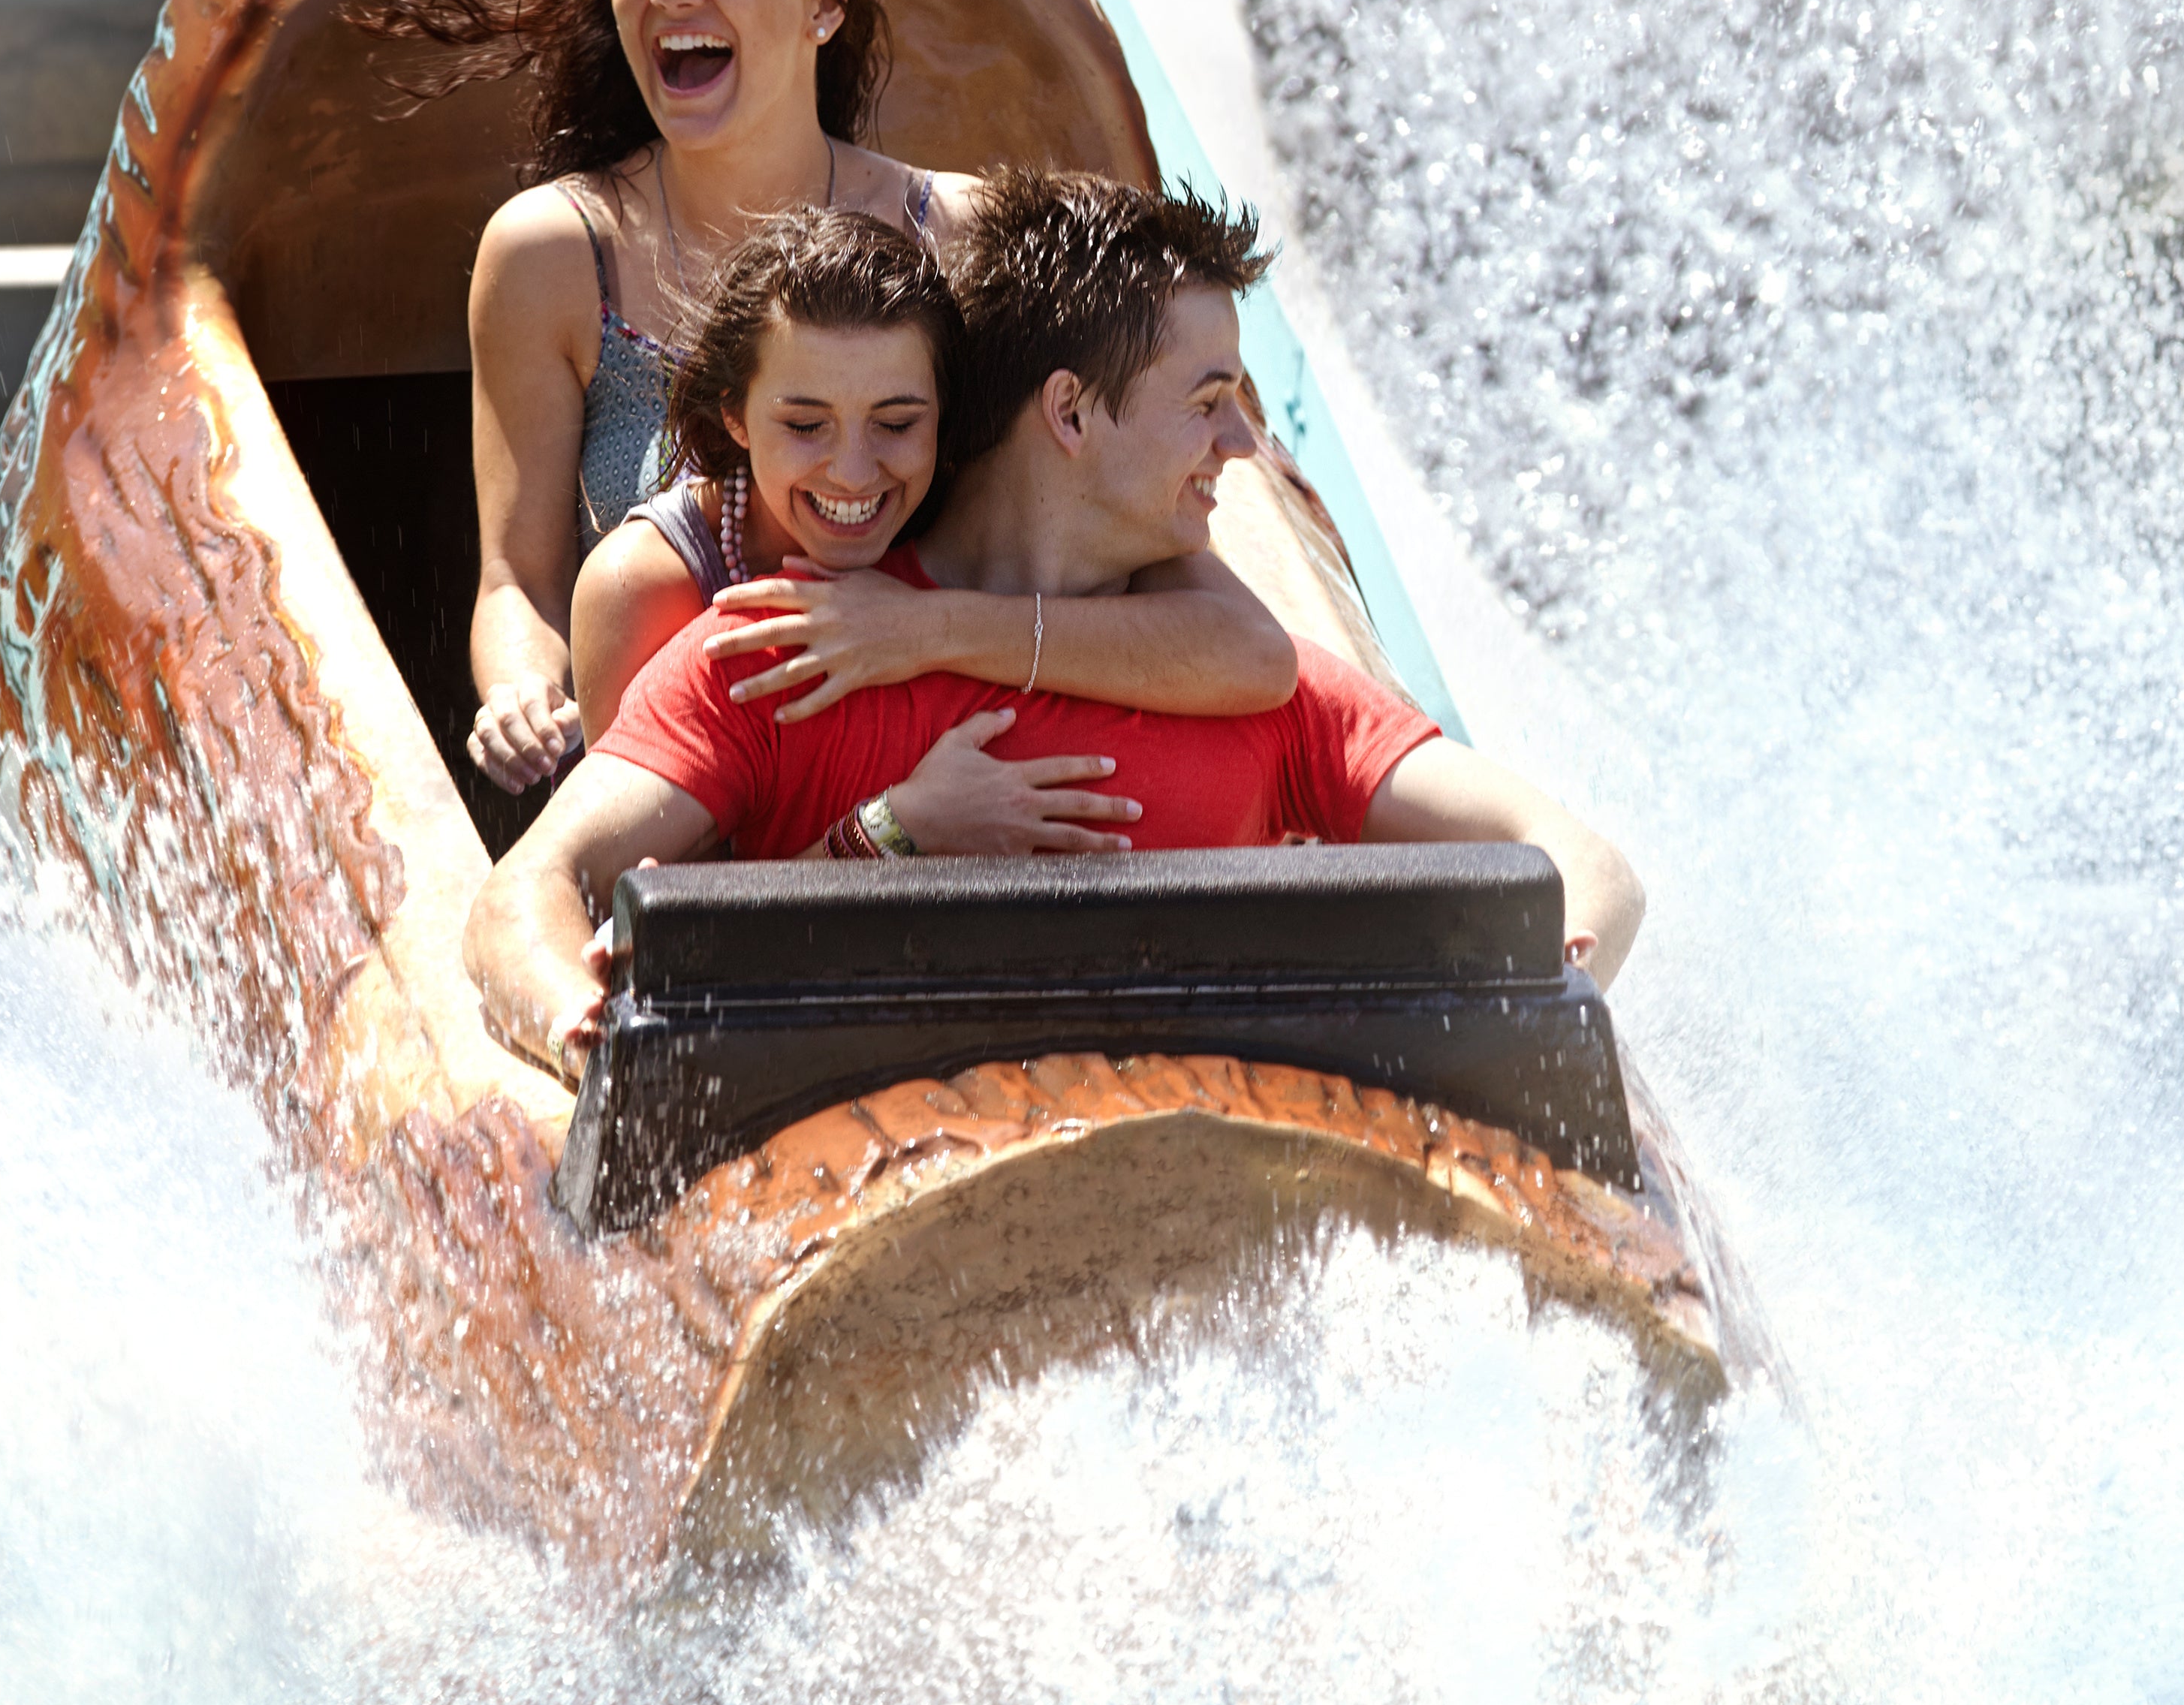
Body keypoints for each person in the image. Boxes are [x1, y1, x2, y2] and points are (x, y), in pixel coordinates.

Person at [465, 171, 1644, 1081]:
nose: (1242, 445)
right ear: (1070, 413)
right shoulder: (785, 654)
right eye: (1207, 403)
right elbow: (523, 896)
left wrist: (1540, 1004)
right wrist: (587, 1028)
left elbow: (1582, 865)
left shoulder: (1258, 692)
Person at [406, 0, 970, 793]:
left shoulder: (951, 232)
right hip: (674, 789)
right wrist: (521, 693)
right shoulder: (552, 252)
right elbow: (517, 584)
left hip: (939, 774)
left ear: (824, 2)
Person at [571, 205, 1293, 750]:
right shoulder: (646, 584)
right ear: (735, 417)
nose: (854, 474)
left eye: (896, 423)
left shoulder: (951, 502)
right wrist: (893, 830)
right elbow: (652, 893)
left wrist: (924, 627)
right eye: (804, 425)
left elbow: (1255, 653)